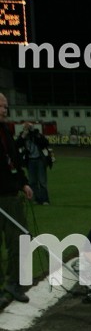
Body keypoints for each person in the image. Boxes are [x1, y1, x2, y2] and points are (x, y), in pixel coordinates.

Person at [0, 93, 35, 307]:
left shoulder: (5, 130)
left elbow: (13, 160)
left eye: (5, 106)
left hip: (11, 196)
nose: (5, 110)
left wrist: (23, 183)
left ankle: (13, 283)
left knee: (21, 238)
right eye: (1, 106)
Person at [16, 123, 54, 205]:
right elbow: (17, 144)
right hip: (30, 160)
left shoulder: (37, 135)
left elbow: (44, 143)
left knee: (42, 181)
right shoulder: (24, 136)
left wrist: (34, 132)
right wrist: (24, 134)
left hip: (39, 159)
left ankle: (45, 200)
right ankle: (37, 199)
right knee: (32, 181)